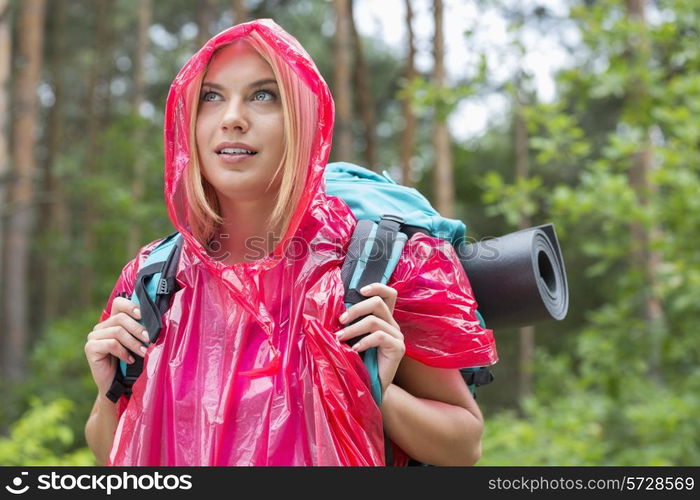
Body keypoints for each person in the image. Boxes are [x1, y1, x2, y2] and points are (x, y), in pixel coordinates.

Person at [84, 19, 497, 466]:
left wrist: (372, 387)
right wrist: (111, 390)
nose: (233, 119)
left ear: (303, 118)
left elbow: (463, 448)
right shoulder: (153, 278)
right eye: (211, 96)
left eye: (264, 95)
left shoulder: (384, 265)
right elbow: (116, 449)